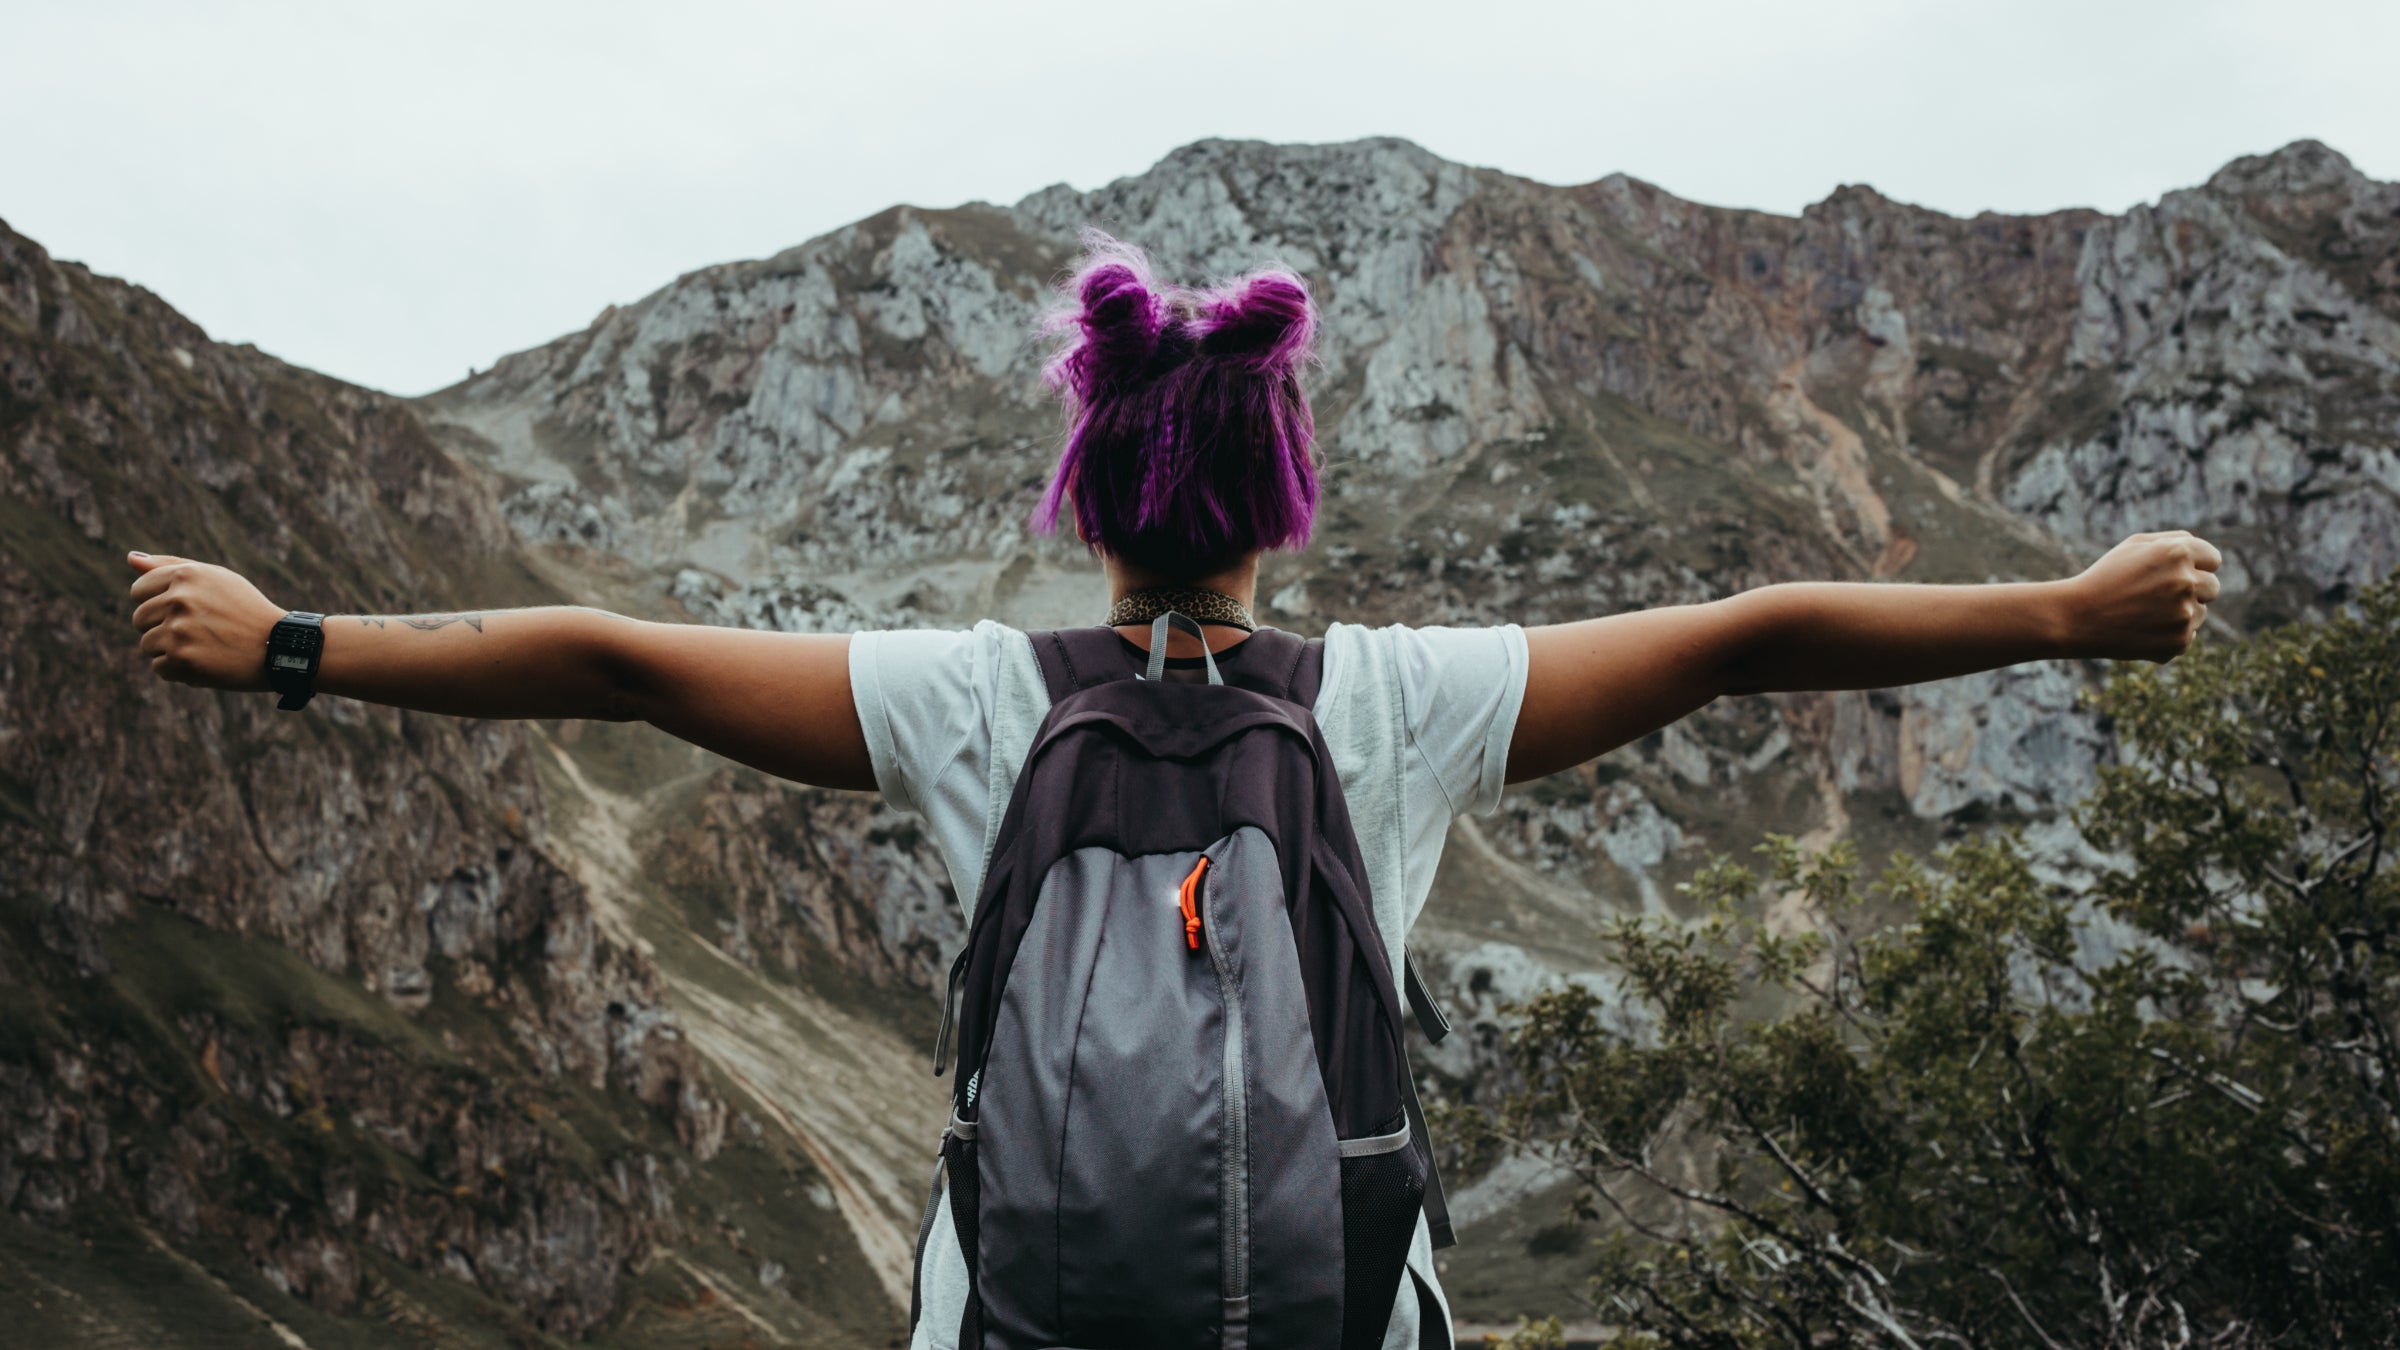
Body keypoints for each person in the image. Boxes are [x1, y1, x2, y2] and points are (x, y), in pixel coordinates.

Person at [126, 234, 2222, 1348]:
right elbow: (1758, 628)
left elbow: (610, 668)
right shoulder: (1387, 703)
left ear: (1091, 506)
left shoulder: (980, 703)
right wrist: (2059, 611)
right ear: (1278, 506)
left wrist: (293, 638)